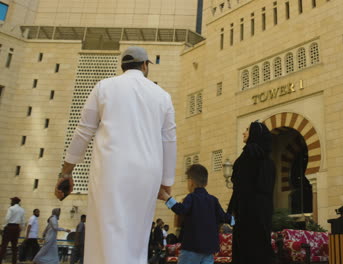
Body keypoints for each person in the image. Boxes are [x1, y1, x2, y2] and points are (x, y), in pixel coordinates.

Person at [53, 46, 177, 264]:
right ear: (145, 65)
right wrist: (166, 183)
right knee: (137, 236)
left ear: (123, 65)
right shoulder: (162, 96)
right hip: (148, 173)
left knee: (106, 232)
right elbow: (169, 140)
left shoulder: (104, 87)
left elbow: (83, 130)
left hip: (110, 169)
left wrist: (66, 172)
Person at [159, 164, 234, 264]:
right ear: (206, 182)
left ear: (190, 182)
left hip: (191, 248)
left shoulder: (191, 197)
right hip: (209, 249)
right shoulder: (213, 200)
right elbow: (224, 217)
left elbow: (181, 210)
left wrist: (166, 197)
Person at [227, 121, 276, 264]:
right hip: (264, 214)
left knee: (246, 251)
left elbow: (239, 190)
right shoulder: (269, 162)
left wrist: (230, 212)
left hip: (247, 214)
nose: (244, 132)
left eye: (247, 130)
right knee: (261, 248)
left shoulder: (246, 158)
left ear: (254, 133)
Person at [0, 197, 25, 264]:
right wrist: (20, 229)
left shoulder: (11, 208)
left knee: (4, 246)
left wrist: (3, 227)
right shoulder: (22, 210)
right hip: (16, 228)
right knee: (14, 247)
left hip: (9, 227)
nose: (11, 202)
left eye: (11, 201)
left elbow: (7, 218)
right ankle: (14, 262)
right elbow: (23, 221)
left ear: (14, 202)